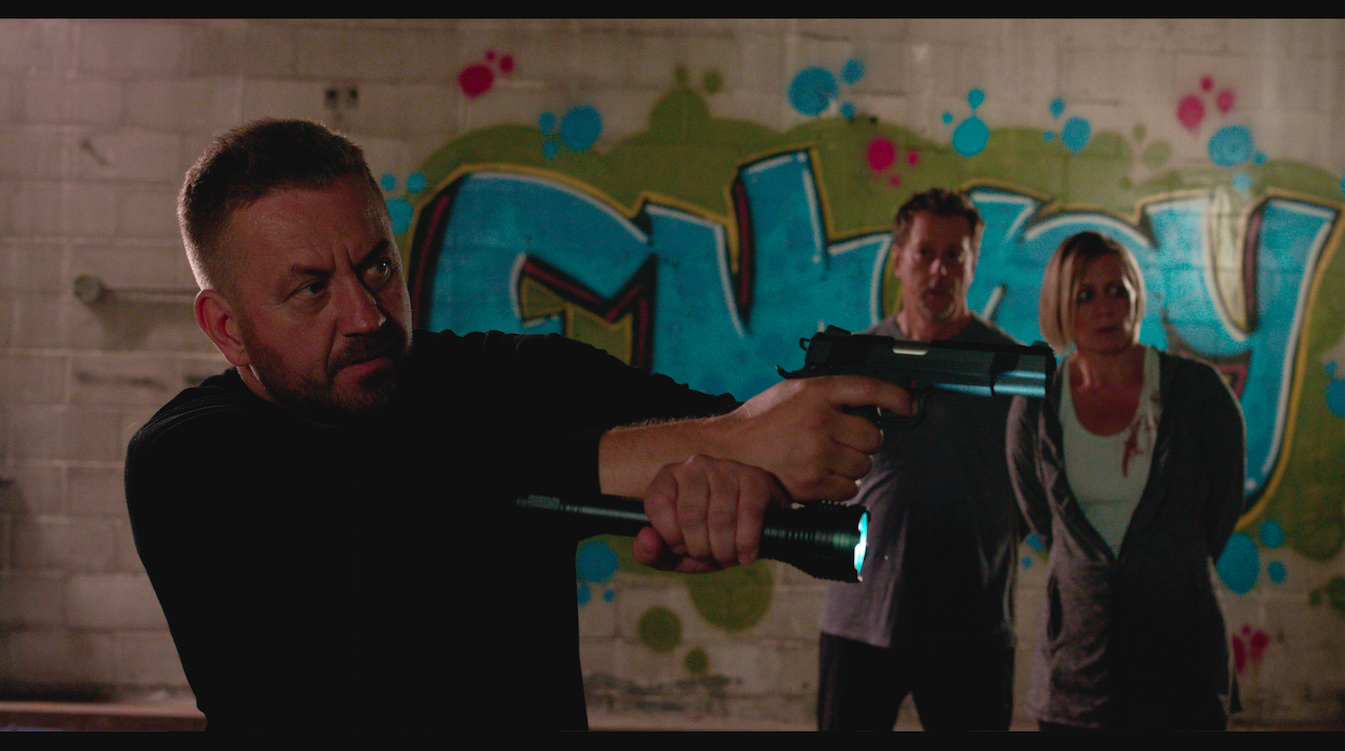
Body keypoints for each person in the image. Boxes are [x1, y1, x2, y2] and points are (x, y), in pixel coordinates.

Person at [124, 119, 912, 733]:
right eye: (310, 289)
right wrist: (722, 445)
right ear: (225, 327)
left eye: (377, 265)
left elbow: (740, 432)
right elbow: (409, 496)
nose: (365, 314)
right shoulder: (187, 460)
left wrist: (734, 488)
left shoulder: (509, 379)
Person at [1006, 231, 1245, 730]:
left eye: (1117, 290)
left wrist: (1164, 563)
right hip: (1076, 667)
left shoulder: (1196, 392)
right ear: (1059, 306)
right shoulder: (1036, 405)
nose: (1104, 308)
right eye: (1084, 295)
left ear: (1137, 296)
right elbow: (1043, 519)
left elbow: (1221, 509)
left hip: (1181, 662)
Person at [816, 189, 1021, 731]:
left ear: (972, 265)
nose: (939, 269)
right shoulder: (855, 362)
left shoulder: (1009, 371)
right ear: (898, 259)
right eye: (925, 252)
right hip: (859, 622)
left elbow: (1035, 494)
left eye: (955, 255)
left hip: (971, 629)